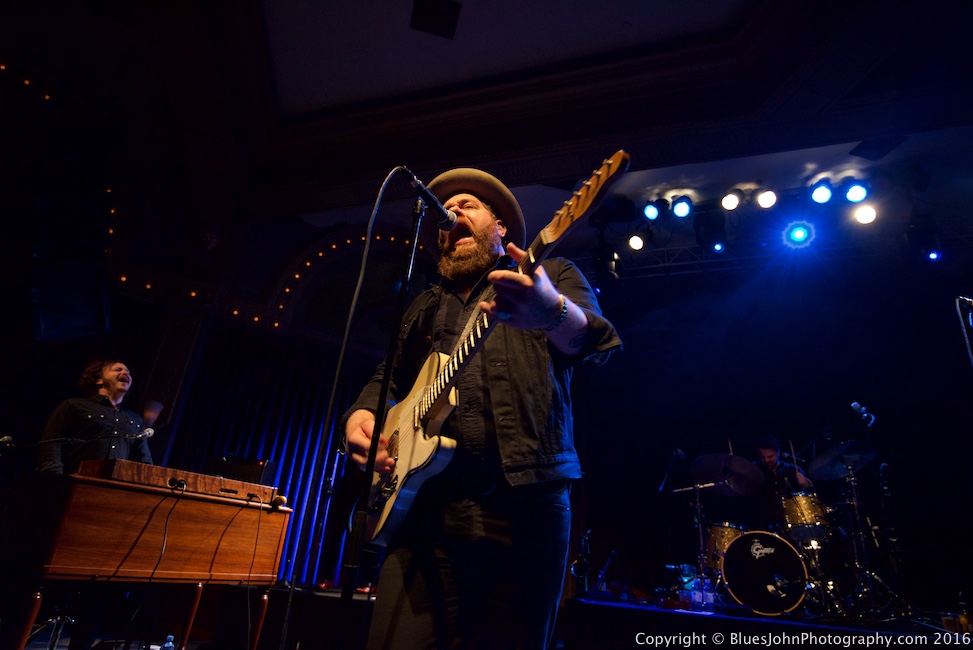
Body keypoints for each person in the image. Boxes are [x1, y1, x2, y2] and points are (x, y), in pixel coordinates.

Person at [342, 167, 621, 649]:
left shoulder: (548, 275)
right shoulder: (424, 307)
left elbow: (594, 344)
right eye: (444, 214)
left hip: (524, 504)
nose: (451, 216)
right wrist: (362, 415)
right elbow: (386, 380)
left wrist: (550, 311)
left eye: (467, 206)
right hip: (423, 509)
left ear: (502, 228)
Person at [37, 355, 154, 475]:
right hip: (74, 483)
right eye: (118, 370)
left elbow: (143, 460)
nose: (125, 373)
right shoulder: (74, 405)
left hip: (115, 489)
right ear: (99, 380)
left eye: (128, 372)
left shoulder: (136, 419)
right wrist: (54, 476)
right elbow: (52, 443)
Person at [751, 434, 813, 529]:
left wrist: (806, 484)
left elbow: (811, 493)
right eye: (763, 457)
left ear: (778, 453)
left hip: (793, 518)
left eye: (770, 456)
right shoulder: (754, 470)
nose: (766, 460)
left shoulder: (792, 469)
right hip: (764, 519)